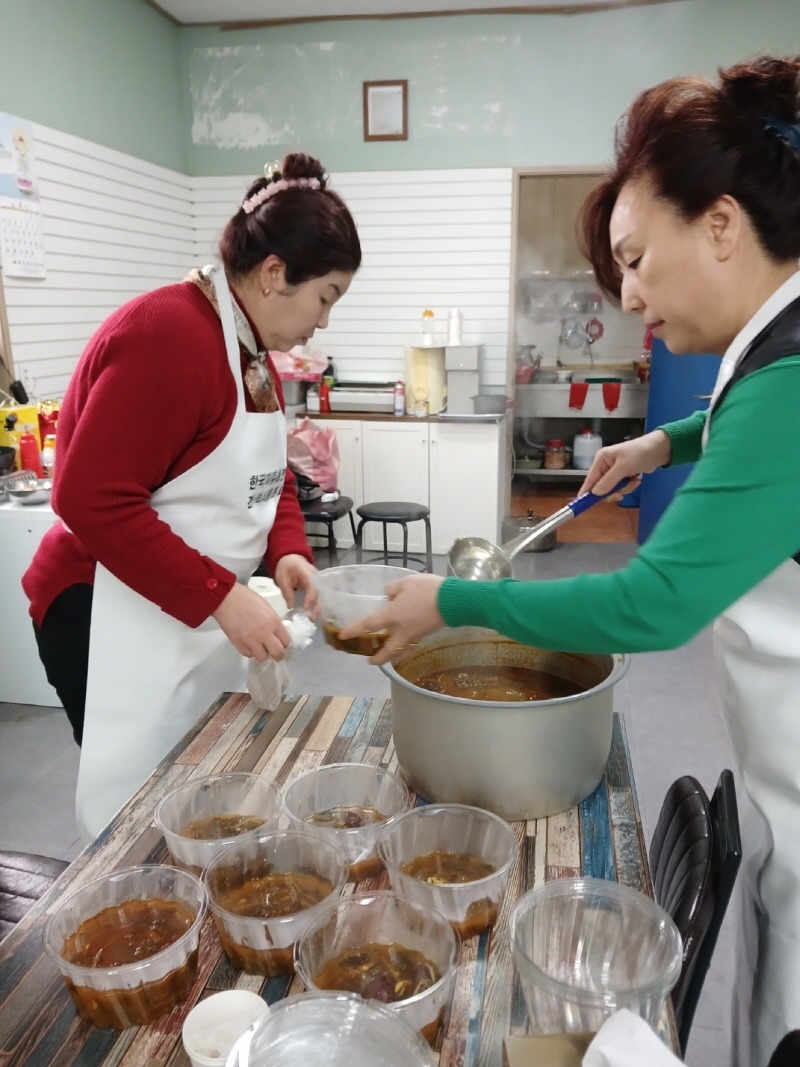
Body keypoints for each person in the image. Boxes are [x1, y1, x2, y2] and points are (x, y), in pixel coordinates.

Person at [339, 55, 800, 1066]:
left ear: (719, 224)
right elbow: (742, 420)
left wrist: (453, 598)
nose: (628, 294)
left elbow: (652, 604)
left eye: (635, 258)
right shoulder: (769, 350)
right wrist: (662, 441)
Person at [24, 152, 361, 839]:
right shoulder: (170, 335)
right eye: (325, 296)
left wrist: (288, 550)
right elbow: (88, 497)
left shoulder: (246, 344)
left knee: (194, 798)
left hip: (177, 612)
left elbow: (269, 474)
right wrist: (217, 593)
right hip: (96, 611)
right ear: (274, 275)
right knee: (142, 820)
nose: (323, 321)